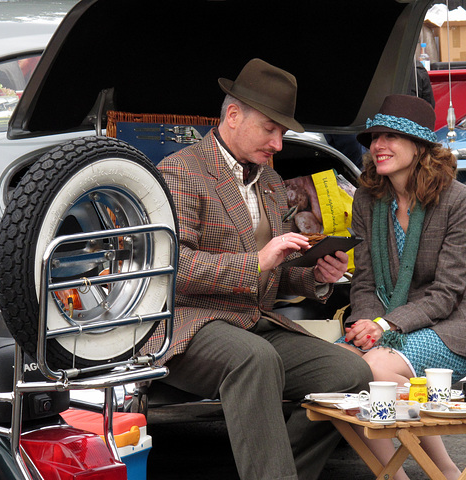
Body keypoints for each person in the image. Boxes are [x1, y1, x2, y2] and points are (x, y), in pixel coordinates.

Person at [146, 58, 373, 480]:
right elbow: (174, 269)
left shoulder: (269, 180)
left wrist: (317, 276)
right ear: (233, 116)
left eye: (282, 133)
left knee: (352, 373)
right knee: (256, 359)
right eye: (270, 129)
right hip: (189, 324)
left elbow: (279, 270)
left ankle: (279, 472)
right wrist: (258, 260)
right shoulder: (181, 171)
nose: (278, 144)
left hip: (253, 323)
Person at [338, 94, 466, 480]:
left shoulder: (457, 199)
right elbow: (365, 281)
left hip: (453, 327)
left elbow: (448, 291)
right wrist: (364, 324)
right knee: (341, 372)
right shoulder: (367, 199)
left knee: (370, 369)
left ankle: (412, 474)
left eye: (391, 136)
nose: (378, 145)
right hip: (386, 326)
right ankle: (442, 473)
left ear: (420, 146)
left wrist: (385, 327)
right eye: (374, 137)